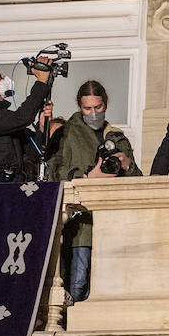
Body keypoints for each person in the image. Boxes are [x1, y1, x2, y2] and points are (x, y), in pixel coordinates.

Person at [47, 80, 143, 302]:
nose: (93, 113)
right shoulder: (66, 134)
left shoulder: (116, 137)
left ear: (106, 105)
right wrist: (87, 177)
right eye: (87, 108)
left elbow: (137, 182)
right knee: (78, 285)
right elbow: (54, 174)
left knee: (111, 288)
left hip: (114, 224)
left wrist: (127, 164)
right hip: (80, 226)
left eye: (97, 108)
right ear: (79, 107)